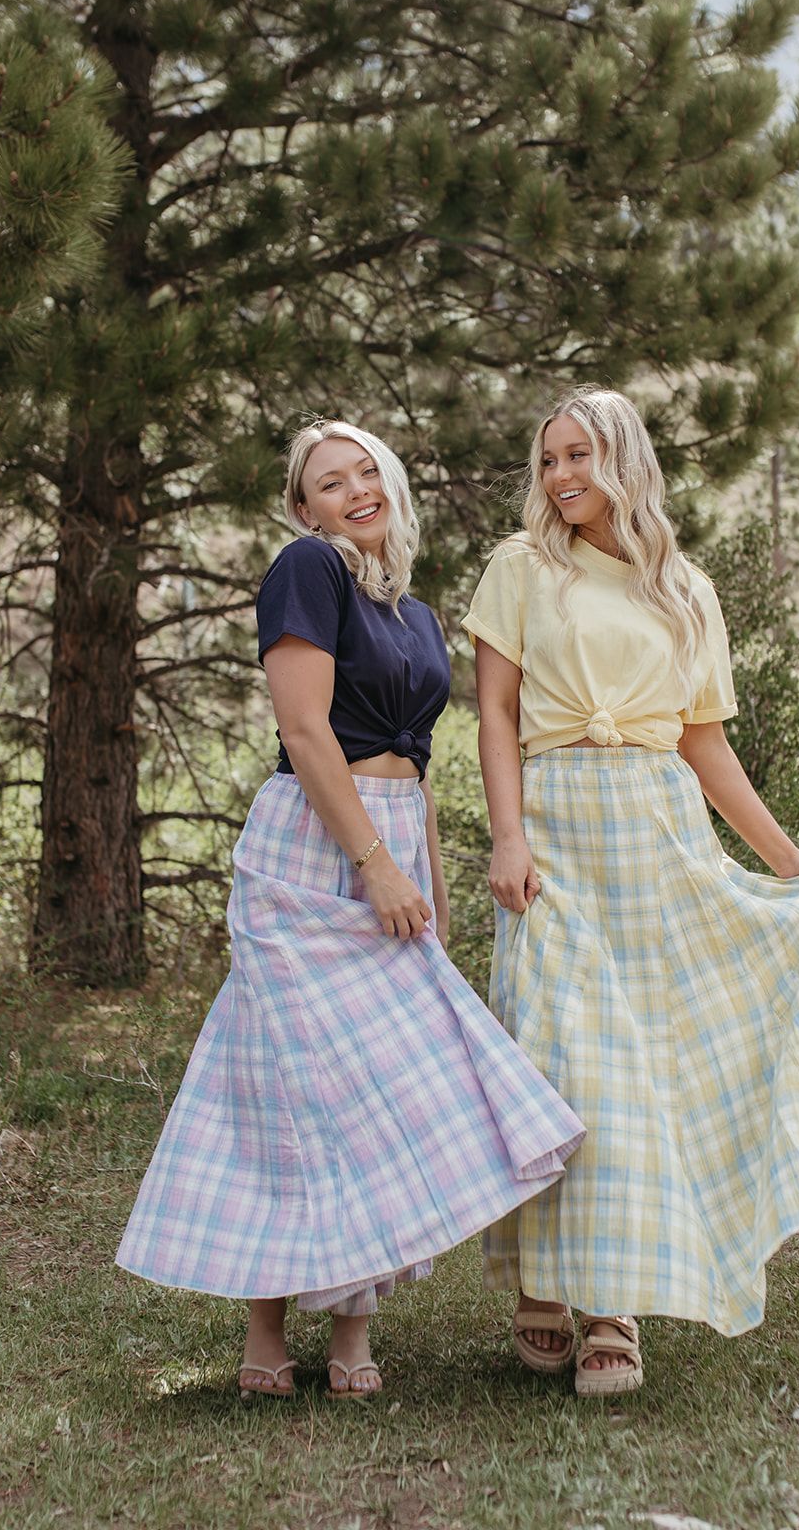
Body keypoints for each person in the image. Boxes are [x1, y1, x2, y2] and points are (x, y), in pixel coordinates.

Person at [117, 420, 584, 1401]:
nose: (355, 490)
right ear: (303, 508)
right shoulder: (308, 569)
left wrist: (428, 875)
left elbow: (417, 761)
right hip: (312, 845)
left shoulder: (412, 613)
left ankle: (351, 1329)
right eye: (329, 482)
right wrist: (372, 864)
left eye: (366, 470)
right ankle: (264, 1331)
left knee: (376, 1089)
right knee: (287, 1084)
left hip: (394, 839)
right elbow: (302, 728)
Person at [461, 387, 799, 1398]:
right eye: (549, 459)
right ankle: (540, 1279)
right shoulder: (520, 566)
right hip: (557, 826)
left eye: (578, 454)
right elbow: (494, 712)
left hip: (656, 831)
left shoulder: (684, 589)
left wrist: (784, 857)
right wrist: (508, 835)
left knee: (635, 1066)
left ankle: (611, 1303)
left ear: (622, 459)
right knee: (557, 1052)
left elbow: (704, 744)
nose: (560, 476)